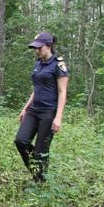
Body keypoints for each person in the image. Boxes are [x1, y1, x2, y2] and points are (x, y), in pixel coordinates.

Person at [14, 32, 69, 183]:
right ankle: (38, 169)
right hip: (34, 110)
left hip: (49, 112)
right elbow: (36, 89)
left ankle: (40, 180)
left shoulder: (58, 65)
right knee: (21, 141)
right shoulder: (38, 64)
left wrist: (58, 117)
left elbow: (62, 92)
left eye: (39, 47)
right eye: (35, 48)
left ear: (49, 46)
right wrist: (25, 108)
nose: (37, 51)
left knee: (41, 150)